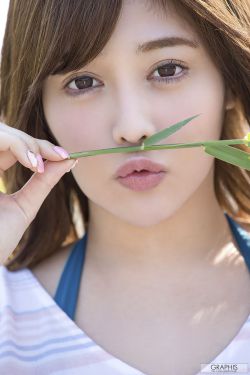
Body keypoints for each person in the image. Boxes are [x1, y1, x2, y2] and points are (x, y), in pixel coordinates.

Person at [0, 0, 250, 374]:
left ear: (229, 83)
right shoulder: (8, 323)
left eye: (168, 69)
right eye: (83, 82)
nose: (132, 128)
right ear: (41, 114)